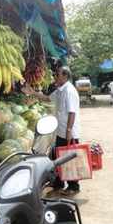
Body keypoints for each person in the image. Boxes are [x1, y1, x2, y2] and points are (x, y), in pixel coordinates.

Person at [22, 66, 81, 196]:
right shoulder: (60, 90)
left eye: (57, 75)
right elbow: (47, 98)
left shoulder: (69, 91)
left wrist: (69, 130)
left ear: (65, 76)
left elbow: (72, 112)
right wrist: (32, 92)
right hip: (61, 131)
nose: (55, 77)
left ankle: (74, 186)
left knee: (69, 158)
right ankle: (58, 183)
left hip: (69, 131)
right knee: (56, 156)